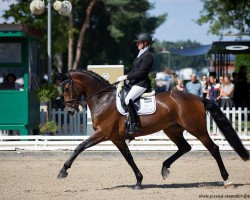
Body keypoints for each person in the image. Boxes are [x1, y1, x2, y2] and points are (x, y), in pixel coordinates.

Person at [117, 32, 153, 134]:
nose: (136, 44)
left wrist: (127, 76)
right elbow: (134, 71)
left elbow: (141, 73)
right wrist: (125, 76)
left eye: (138, 42)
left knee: (128, 99)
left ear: (145, 43)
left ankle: (134, 124)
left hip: (142, 84)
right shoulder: (141, 54)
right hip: (135, 83)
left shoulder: (148, 56)